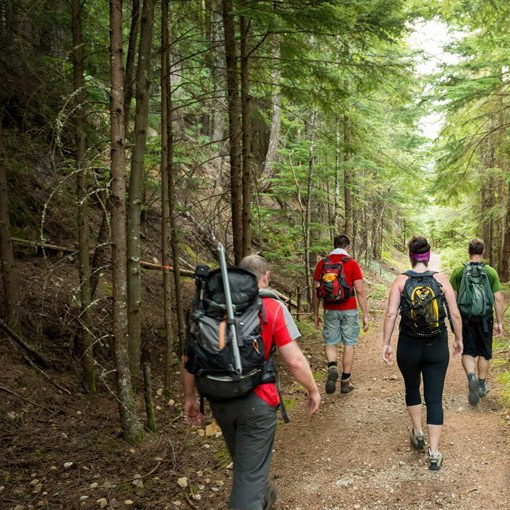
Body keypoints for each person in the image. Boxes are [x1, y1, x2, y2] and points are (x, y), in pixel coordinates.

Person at [182, 254, 321, 510]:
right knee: (248, 475)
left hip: (218, 397)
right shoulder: (271, 306)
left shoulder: (211, 307)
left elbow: (191, 356)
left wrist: (190, 397)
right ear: (265, 276)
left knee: (246, 463)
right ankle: (254, 496)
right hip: (259, 401)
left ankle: (263, 494)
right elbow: (294, 361)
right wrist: (313, 389)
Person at [382, 236, 463, 471]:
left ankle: (418, 433)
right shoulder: (441, 280)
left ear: (410, 255)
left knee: (411, 387)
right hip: (436, 346)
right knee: (435, 397)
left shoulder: (399, 281)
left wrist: (386, 344)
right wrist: (458, 339)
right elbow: (455, 313)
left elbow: (390, 315)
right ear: (428, 255)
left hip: (408, 346)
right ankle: (434, 452)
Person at [449, 238, 504, 405]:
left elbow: (453, 298)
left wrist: (454, 319)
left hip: (465, 318)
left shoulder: (459, 271)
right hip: (485, 319)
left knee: (468, 351)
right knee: (484, 352)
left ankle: (471, 376)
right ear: (483, 252)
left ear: (469, 251)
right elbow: (498, 298)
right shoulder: (490, 272)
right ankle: (481, 384)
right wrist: (499, 322)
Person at [313, 234, 369, 394]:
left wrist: (316, 313)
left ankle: (332, 366)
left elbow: (316, 290)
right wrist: (365, 314)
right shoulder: (352, 264)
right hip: (349, 308)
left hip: (330, 309)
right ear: (347, 247)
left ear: (334, 245)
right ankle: (345, 382)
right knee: (349, 343)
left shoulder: (323, 264)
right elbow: (360, 290)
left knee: (330, 341)